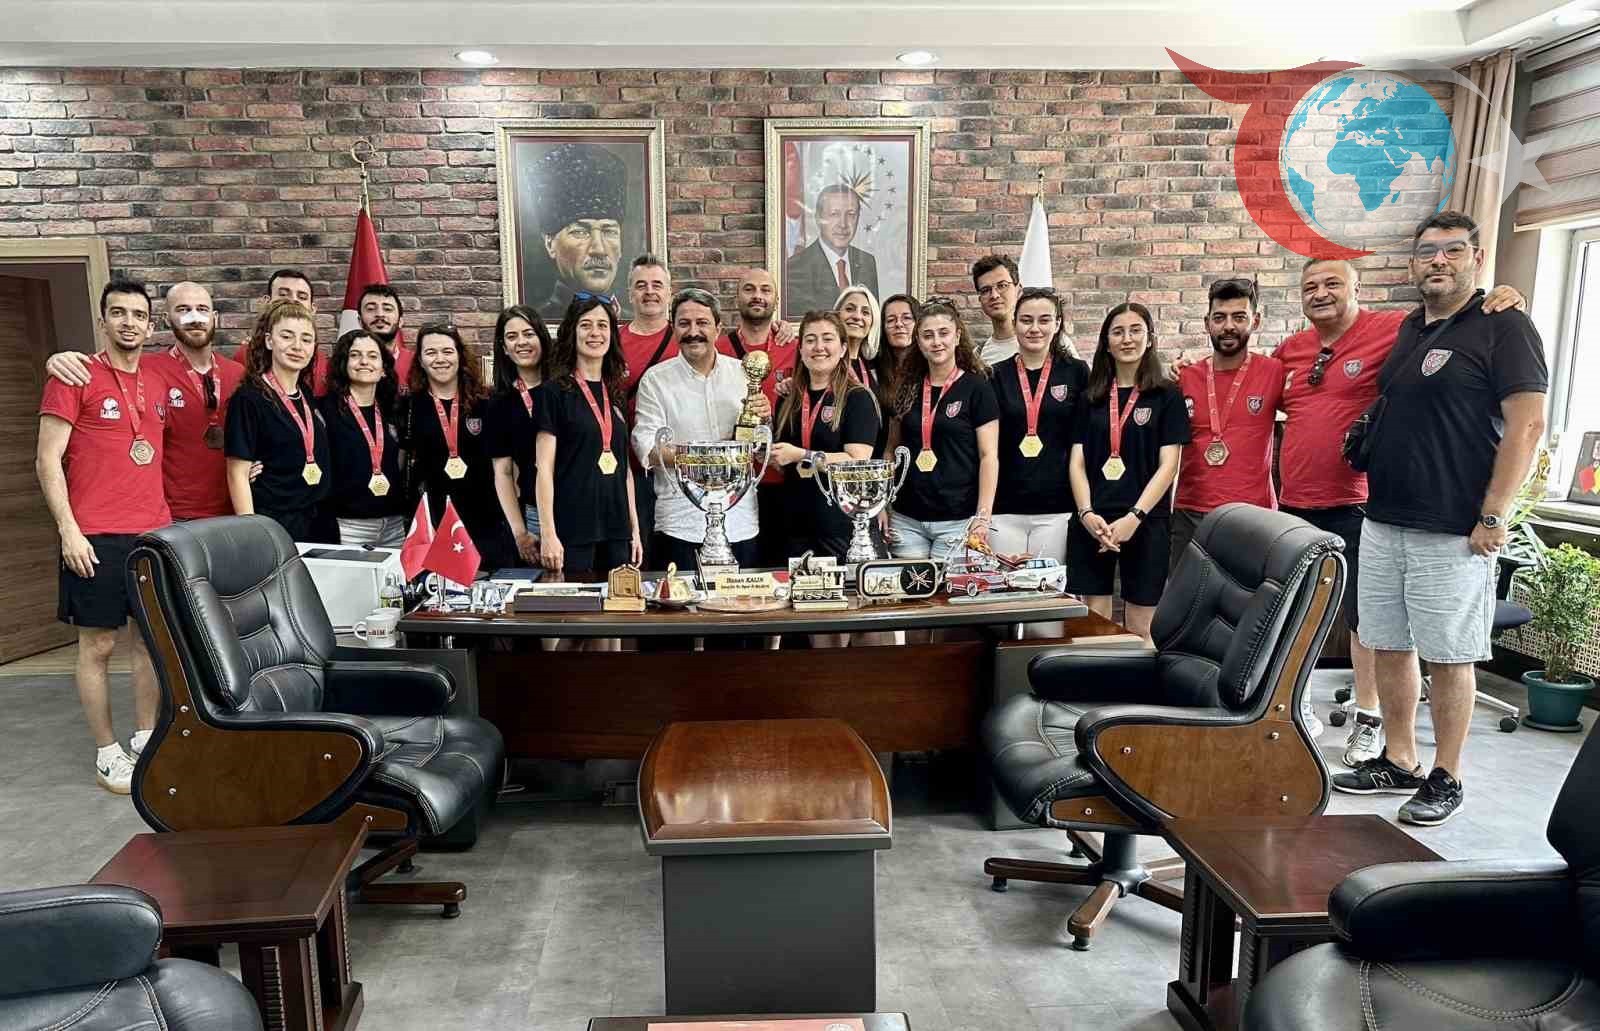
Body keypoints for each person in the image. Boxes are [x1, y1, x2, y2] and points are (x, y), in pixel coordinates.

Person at [1331, 211, 1547, 828]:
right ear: (1412, 264)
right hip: (1384, 519)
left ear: (1477, 258)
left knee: (1451, 656)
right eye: (1427, 252)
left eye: (1453, 250)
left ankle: (1447, 774)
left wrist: (1494, 514)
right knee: (1389, 644)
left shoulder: (1504, 325)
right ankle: (1400, 759)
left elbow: (1528, 425)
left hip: (1455, 529)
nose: (1438, 261)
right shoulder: (1409, 329)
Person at [1274, 257, 1527, 766]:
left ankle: (1368, 722)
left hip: (1360, 501)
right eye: (1310, 286)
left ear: (1356, 288)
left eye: (1332, 283)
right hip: (1296, 503)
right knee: (1301, 618)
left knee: (1366, 625)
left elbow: (1455, 318)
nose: (1320, 293)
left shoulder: (1393, 329)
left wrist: (1505, 296)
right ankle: (1298, 710)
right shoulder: (1292, 350)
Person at [36, 278, 169, 794]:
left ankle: (144, 738)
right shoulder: (74, 376)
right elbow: (47, 460)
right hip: (94, 533)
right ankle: (107, 751)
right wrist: (68, 531)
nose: (129, 323)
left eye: (138, 315)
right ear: (103, 320)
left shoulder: (156, 379)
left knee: (149, 642)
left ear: (150, 326)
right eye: (119, 313)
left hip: (153, 533)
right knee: (98, 644)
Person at [44, 281, 244, 521]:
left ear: (215, 317)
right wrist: (57, 360)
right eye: (183, 309)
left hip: (232, 508)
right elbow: (109, 368)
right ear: (165, 319)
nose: (194, 318)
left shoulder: (239, 373)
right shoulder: (148, 369)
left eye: (202, 309)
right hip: (173, 516)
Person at [1068, 302, 1190, 643]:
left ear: (1149, 338)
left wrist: (1134, 517)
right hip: (1094, 521)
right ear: (1106, 342)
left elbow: (1169, 466)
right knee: (1093, 627)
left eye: (1136, 330)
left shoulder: (1167, 395)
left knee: (1141, 626)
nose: (1127, 339)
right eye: (1118, 332)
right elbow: (1076, 462)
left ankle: (1139, 681)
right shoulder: (1090, 397)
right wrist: (1086, 514)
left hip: (1146, 520)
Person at [635, 289, 763, 571]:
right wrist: (711, 458)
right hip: (681, 523)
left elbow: (759, 447)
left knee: (743, 598)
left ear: (718, 328)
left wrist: (763, 422)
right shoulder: (655, 381)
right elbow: (648, 448)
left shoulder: (744, 375)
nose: (693, 332)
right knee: (682, 600)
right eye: (684, 323)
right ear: (673, 329)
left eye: (702, 323)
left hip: (740, 521)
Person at [1171, 279, 1284, 568]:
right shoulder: (1186, 376)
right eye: (1219, 318)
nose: (1229, 326)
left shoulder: (1275, 372)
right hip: (1191, 512)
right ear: (1207, 323)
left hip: (1254, 515)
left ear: (1255, 321)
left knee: (1249, 595)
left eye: (1239, 317)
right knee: (1186, 595)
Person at [886, 298, 1000, 560]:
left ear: (957, 336)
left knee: (950, 588)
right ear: (918, 341)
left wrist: (983, 517)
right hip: (906, 519)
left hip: (958, 520)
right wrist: (883, 505)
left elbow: (989, 456)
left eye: (943, 333)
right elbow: (891, 450)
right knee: (909, 587)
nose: (936, 342)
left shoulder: (978, 388)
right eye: (927, 336)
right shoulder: (906, 388)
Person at [536, 294, 642, 572]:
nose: (595, 333)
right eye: (585, 325)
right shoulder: (553, 392)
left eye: (602, 325)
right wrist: (548, 534)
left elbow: (625, 471)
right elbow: (544, 469)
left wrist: (634, 529)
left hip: (617, 531)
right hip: (573, 531)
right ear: (572, 333)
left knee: (620, 600)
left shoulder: (615, 393)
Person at [990, 288, 1090, 571]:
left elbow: (1085, 441)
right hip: (1005, 507)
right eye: (1026, 320)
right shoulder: (993, 375)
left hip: (1057, 508)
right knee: (1004, 591)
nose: (1035, 328)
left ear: (1057, 324)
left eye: (1044, 320)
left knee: (1049, 591)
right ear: (1014, 323)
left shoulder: (1077, 372)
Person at [770, 310, 882, 560]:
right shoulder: (787, 399)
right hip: (795, 526)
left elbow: (857, 461)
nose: (819, 347)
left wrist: (801, 454)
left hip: (842, 527)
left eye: (827, 339)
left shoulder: (858, 398)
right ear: (800, 349)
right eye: (810, 340)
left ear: (843, 348)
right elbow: (784, 463)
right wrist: (770, 455)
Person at [403, 324, 516, 572]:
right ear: (420, 360)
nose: (440, 359)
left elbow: (505, 467)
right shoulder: (409, 407)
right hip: (436, 524)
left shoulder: (486, 402)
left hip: (488, 523)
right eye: (431, 352)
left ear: (460, 356)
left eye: (447, 351)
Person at [225, 300, 334, 542]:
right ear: (269, 340)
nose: (297, 346)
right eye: (287, 336)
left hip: (319, 522)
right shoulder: (248, 398)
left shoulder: (306, 394)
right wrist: (252, 533)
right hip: (276, 524)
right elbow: (237, 474)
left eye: (306, 339)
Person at [717, 268, 799, 567]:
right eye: (749, 289)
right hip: (732, 479)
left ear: (776, 299)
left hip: (781, 476)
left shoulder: (795, 347)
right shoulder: (718, 349)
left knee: (780, 566)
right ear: (737, 298)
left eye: (765, 290)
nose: (758, 296)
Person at [318, 329, 407, 546]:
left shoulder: (394, 409)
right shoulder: (323, 410)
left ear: (383, 369)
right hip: (348, 527)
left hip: (394, 525)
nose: (364, 361)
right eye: (355, 355)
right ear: (343, 364)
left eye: (373, 356)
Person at [485, 305, 552, 567]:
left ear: (542, 337)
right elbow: (503, 473)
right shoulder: (499, 403)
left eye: (528, 333)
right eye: (512, 337)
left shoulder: (565, 389)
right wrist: (520, 532)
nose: (521, 342)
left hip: (578, 507)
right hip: (534, 515)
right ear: (504, 348)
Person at [534, 143, 627, 321]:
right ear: (550, 243)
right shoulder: (538, 322)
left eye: (609, 231)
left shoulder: (632, 322)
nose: (599, 249)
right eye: (581, 232)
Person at [785, 184, 880, 317]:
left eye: (851, 214)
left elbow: (872, 318)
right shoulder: (795, 267)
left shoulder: (867, 262)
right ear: (818, 218)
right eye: (834, 214)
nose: (843, 224)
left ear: (858, 218)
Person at [620, 254, 677, 402]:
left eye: (657, 285)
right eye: (641, 286)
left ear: (669, 293)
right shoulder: (612, 340)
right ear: (630, 294)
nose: (649, 291)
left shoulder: (683, 340)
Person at [354, 282, 415, 384]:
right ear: (360, 321)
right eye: (371, 309)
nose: (380, 314)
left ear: (400, 321)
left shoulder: (417, 363)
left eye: (387, 309)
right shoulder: (348, 363)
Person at [973, 254, 1021, 366]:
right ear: (980, 299)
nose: (994, 295)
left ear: (1018, 289)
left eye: (1002, 286)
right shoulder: (978, 357)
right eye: (986, 290)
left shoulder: (1046, 343)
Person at [835, 285, 881, 390]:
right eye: (849, 309)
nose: (857, 317)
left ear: (873, 322)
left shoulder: (875, 365)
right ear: (837, 315)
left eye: (865, 312)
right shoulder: (825, 361)